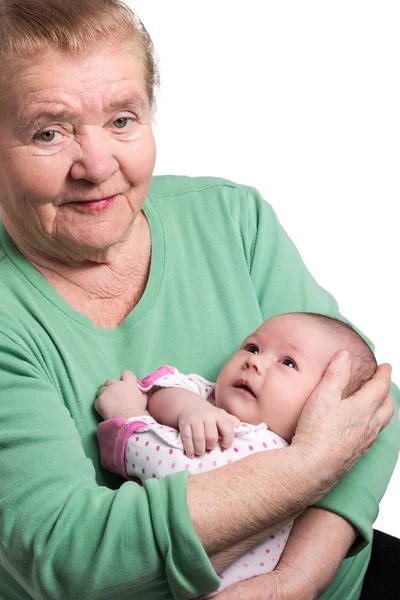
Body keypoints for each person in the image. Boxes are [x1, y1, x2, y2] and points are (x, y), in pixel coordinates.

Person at [0, 1, 397, 599]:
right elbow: (71, 557)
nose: (99, 164)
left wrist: (296, 579)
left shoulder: (231, 219)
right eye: (49, 132)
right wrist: (308, 466)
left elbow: (370, 401)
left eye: (123, 120)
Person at [94, 311, 378, 597]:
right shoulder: (221, 402)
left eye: (288, 363)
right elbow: (172, 388)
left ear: (326, 408)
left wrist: (127, 413)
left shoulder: (264, 448)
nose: (254, 361)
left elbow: (165, 462)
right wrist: (188, 408)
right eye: (252, 347)